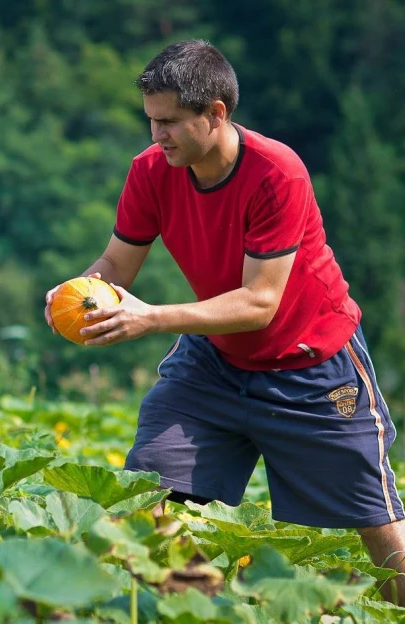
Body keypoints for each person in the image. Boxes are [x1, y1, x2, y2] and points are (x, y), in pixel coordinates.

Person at [43, 39, 405, 602]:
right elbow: (116, 263)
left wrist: (152, 318)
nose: (156, 137)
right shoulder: (151, 170)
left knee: (378, 523)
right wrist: (78, 293)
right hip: (213, 363)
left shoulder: (276, 173)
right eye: (151, 122)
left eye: (169, 123)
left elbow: (260, 303)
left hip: (313, 363)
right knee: (149, 497)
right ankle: (192, 605)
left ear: (216, 113)